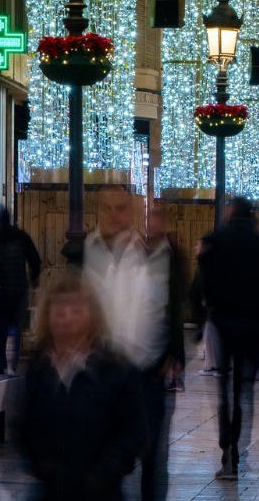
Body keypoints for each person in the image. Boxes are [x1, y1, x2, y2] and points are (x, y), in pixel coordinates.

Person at [80, 189, 186, 501]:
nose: (115, 215)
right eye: (108, 208)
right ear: (98, 211)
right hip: (103, 372)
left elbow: (171, 306)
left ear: (134, 212)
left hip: (147, 373)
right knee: (106, 456)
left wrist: (172, 353)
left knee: (152, 454)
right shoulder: (84, 250)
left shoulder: (155, 253)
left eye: (121, 209)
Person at [16, 269, 147, 501]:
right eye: (59, 310)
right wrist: (42, 465)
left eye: (76, 310)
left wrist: (105, 472)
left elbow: (133, 431)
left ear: (93, 315)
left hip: (101, 492)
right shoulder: (38, 368)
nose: (66, 318)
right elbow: (24, 424)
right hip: (51, 490)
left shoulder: (116, 369)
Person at [197, 197, 259, 481]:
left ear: (230, 213)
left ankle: (227, 449)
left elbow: (201, 283)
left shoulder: (215, 240)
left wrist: (204, 316)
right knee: (244, 388)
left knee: (223, 385)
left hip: (222, 321)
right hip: (253, 323)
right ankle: (237, 448)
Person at [0, 201, 40, 375]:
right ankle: (13, 366)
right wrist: (33, 279)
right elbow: (35, 261)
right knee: (16, 329)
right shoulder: (21, 236)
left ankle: (0, 367)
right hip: (18, 293)